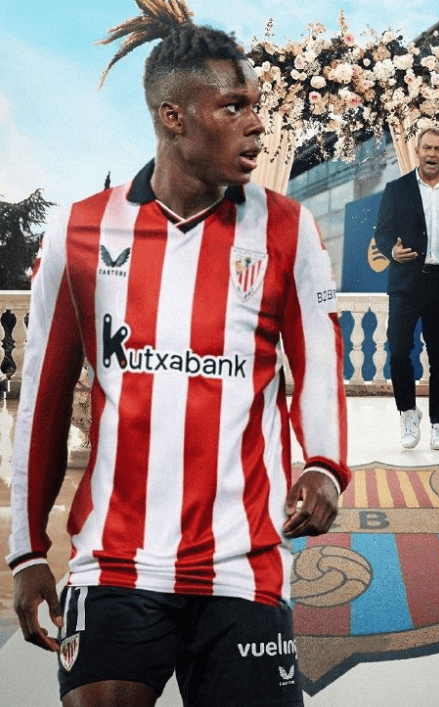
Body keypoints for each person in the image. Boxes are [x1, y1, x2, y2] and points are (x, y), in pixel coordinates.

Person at [7, 2, 350, 706]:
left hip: (244, 564)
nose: (257, 123)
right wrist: (27, 547)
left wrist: (323, 465)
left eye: (256, 106)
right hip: (114, 563)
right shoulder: (80, 231)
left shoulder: (289, 228)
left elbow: (319, 365)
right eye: (234, 106)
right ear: (174, 116)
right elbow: (43, 398)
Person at [374, 127, 439, 450]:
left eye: (438, 149)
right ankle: (408, 413)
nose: (432, 154)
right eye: (427, 148)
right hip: (405, 283)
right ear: (417, 151)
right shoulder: (396, 189)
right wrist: (391, 251)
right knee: (398, 351)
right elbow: (382, 233)